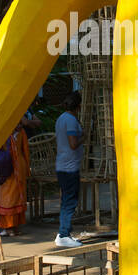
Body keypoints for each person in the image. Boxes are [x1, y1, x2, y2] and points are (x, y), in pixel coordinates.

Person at [54, 91, 84, 248]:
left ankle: (64, 232)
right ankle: (64, 234)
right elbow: (73, 143)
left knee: (67, 199)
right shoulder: (71, 121)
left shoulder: (61, 118)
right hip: (69, 166)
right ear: (78, 106)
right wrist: (84, 138)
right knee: (69, 201)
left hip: (63, 165)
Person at [0, 115, 31, 235]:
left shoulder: (12, 133)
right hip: (10, 169)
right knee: (10, 198)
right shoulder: (7, 134)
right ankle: (9, 227)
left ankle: (12, 227)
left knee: (14, 198)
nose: (19, 126)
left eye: (20, 124)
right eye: (18, 123)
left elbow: (25, 150)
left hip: (14, 169)